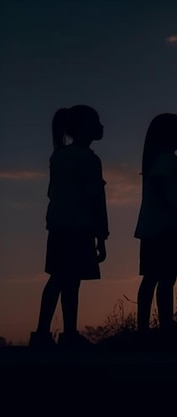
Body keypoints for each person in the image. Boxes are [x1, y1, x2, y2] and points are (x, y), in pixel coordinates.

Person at [29, 105, 108, 348]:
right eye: (96, 121)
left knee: (60, 279)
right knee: (69, 281)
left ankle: (46, 332)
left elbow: (53, 193)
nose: (101, 126)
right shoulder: (89, 159)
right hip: (80, 227)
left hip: (58, 225)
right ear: (85, 128)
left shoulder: (59, 156)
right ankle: (67, 334)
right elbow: (96, 199)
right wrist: (101, 236)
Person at [134, 113, 177, 332]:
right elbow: (158, 184)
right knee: (163, 279)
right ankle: (163, 326)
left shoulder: (162, 160)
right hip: (165, 229)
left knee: (155, 278)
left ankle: (147, 327)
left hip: (157, 227)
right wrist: (170, 211)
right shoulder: (165, 160)